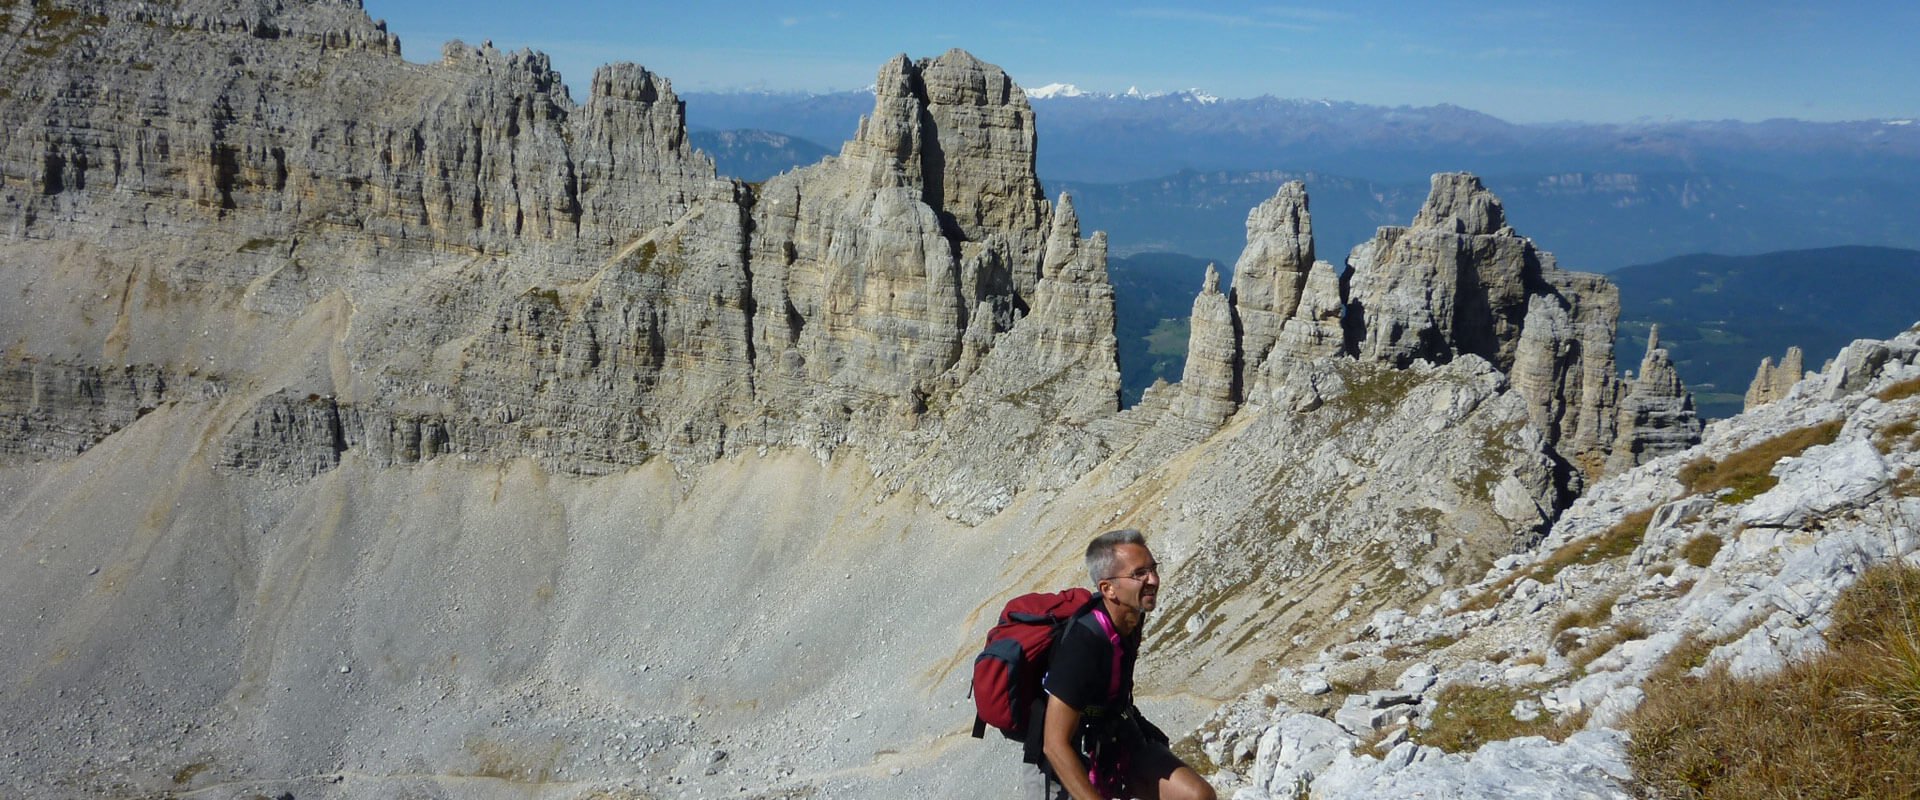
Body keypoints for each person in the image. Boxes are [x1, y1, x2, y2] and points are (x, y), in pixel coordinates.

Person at [1031, 529, 1216, 800]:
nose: (1153, 580)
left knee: (1198, 795)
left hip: (1115, 734)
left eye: (1153, 569)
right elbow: (1054, 745)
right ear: (1108, 588)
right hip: (1067, 756)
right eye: (1139, 573)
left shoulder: (1133, 614)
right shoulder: (1084, 643)